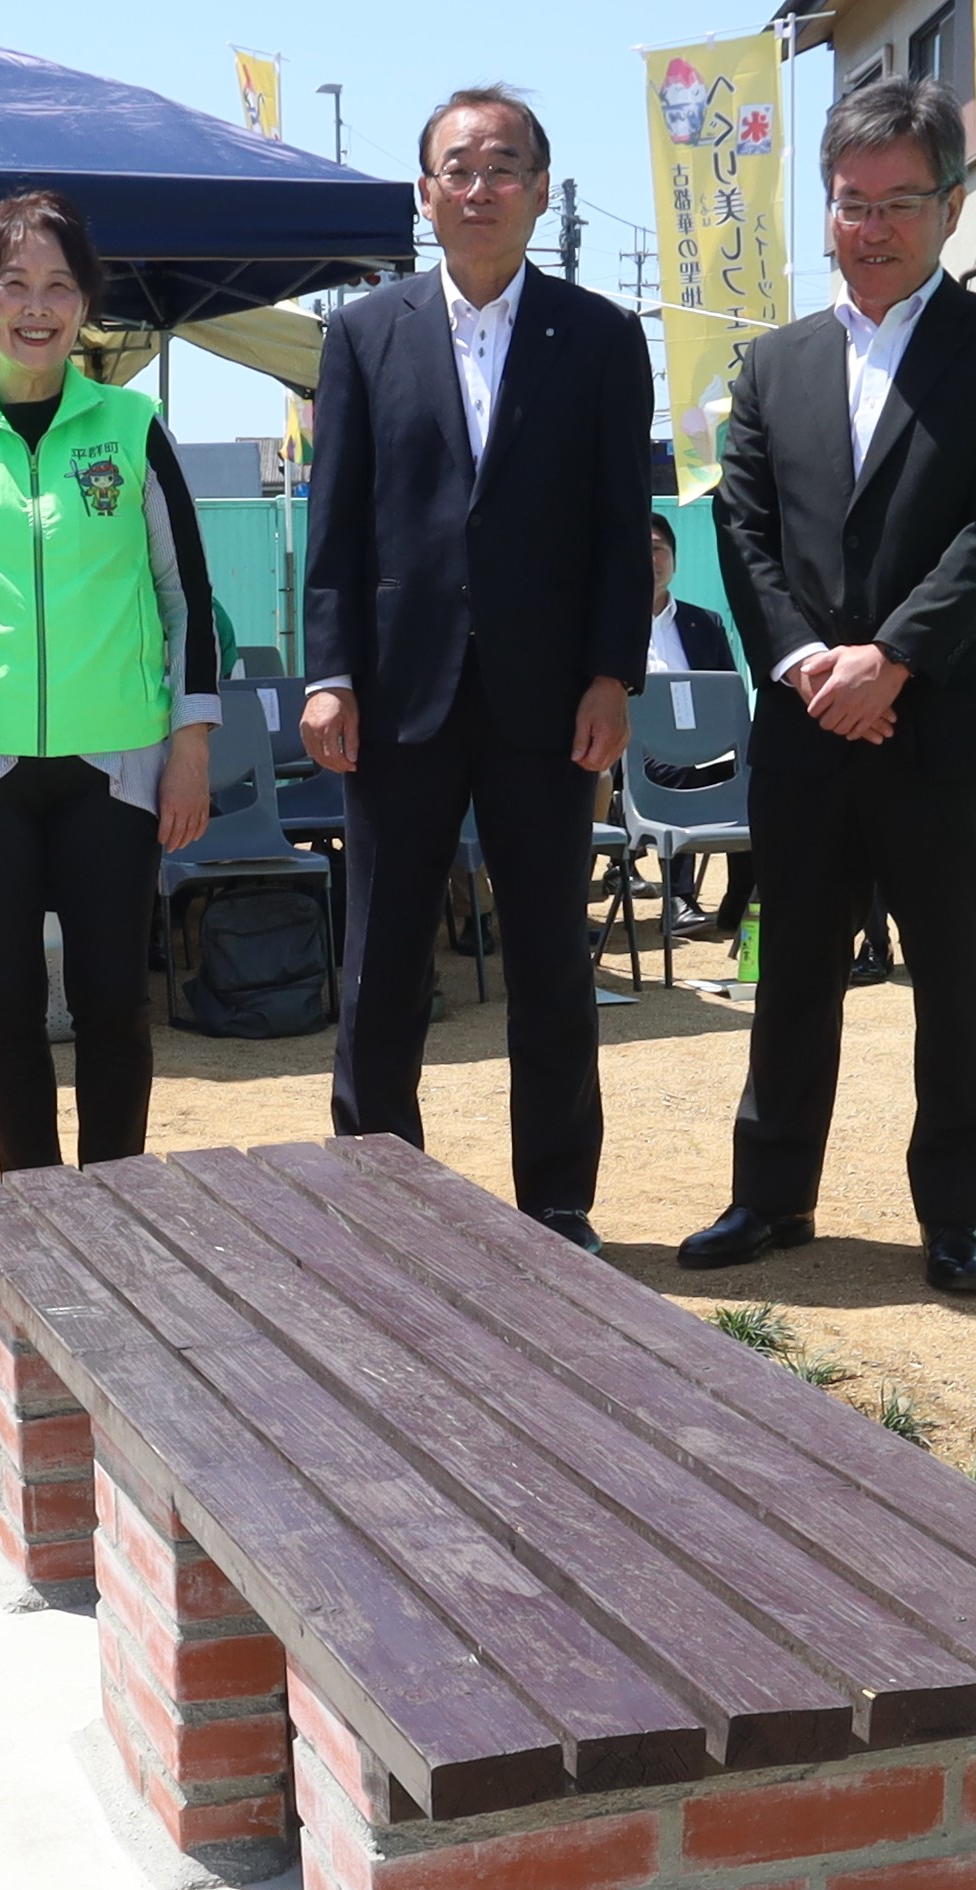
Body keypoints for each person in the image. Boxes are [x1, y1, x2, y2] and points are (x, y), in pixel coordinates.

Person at [680, 77, 976, 1294]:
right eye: (853, 202)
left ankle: (954, 1214)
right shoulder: (772, 362)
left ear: (951, 206)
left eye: (902, 200)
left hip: (947, 722)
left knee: (960, 980)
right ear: (827, 210)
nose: (875, 225)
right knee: (791, 969)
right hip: (805, 728)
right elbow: (743, 531)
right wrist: (806, 663)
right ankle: (770, 1195)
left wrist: (892, 657)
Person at [301, 87, 653, 1251]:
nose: (480, 187)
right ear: (425, 193)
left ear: (541, 190)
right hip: (396, 692)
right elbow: (334, 522)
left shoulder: (600, 336)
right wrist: (328, 671)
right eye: (458, 168)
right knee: (382, 952)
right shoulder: (363, 333)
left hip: (550, 699)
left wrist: (612, 674)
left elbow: (620, 525)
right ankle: (375, 1191)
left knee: (549, 952)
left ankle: (557, 1199)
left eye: (504, 166)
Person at [0, 189, 219, 1172]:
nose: (38, 306)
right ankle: (26, 1208)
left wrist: (191, 744)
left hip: (118, 766)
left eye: (60, 285)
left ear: (85, 305)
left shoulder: (133, 425)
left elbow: (188, 594)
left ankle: (114, 1204)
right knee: (0, 1005)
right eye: (14, 283)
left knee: (116, 1002)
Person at [641, 511, 747, 939]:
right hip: (631, 755)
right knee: (678, 768)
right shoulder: (606, 624)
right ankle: (678, 899)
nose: (651, 559)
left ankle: (741, 898)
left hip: (703, 749)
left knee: (754, 775)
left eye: (658, 549)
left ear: (674, 559)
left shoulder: (704, 623)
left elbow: (727, 698)